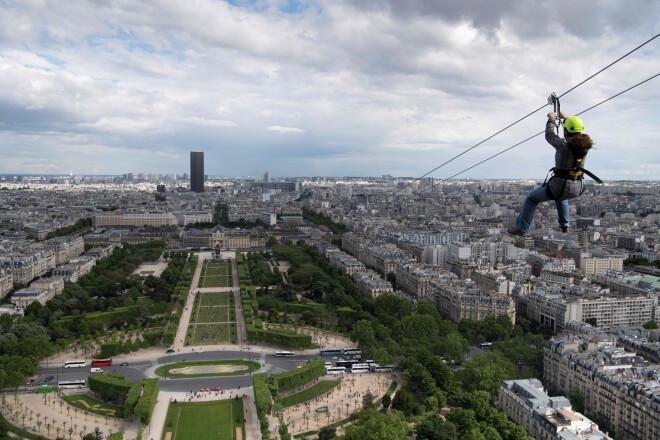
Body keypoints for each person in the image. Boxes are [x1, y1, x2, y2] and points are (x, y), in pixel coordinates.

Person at [509, 111, 594, 236]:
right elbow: (576, 132)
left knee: (531, 199)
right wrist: (566, 119)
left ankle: (521, 228)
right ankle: (565, 225)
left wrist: (552, 119)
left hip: (560, 186)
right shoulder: (585, 146)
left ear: (566, 132)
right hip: (578, 187)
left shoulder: (564, 145)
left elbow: (550, 135)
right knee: (561, 197)